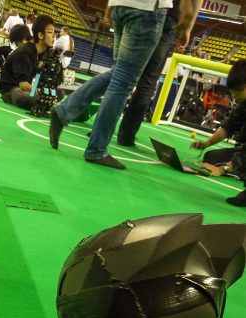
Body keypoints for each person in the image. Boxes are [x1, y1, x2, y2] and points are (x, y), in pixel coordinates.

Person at [49, 0, 175, 169]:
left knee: (118, 73)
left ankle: (64, 111)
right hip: (147, 10)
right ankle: (96, 149)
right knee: (123, 80)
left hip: (121, 5)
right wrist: (189, 18)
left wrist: (110, 4)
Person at [117, 0, 202, 147]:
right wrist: (188, 27)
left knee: (123, 72)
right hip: (170, 16)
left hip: (147, 8)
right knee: (148, 79)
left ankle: (101, 130)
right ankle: (126, 136)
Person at [190, 58, 246, 206]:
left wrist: (223, 169)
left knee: (238, 161)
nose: (233, 95)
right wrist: (205, 144)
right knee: (211, 157)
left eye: (236, 91)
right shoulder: (243, 105)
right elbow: (228, 128)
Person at [0, 15, 57, 110]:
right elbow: (23, 84)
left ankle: (44, 102)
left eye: (54, 33)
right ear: (40, 35)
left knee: (58, 92)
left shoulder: (45, 54)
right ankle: (45, 104)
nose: (53, 37)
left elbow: (38, 76)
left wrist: (49, 94)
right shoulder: (24, 51)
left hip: (27, 88)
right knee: (26, 97)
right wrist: (39, 93)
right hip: (11, 88)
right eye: (50, 32)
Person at [0, 8, 24, 73]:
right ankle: (8, 69)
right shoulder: (21, 20)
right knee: (6, 53)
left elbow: (2, 30)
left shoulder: (10, 18)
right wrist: (6, 33)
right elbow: (15, 34)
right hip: (19, 48)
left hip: (12, 47)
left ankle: (4, 69)